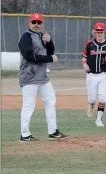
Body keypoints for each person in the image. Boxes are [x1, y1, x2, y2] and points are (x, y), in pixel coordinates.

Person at [18, 13, 68, 142]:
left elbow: (50, 51)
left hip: (42, 77)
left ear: (42, 24)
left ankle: (53, 131)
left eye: (38, 22)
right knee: (29, 105)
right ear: (29, 23)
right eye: (33, 22)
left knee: (51, 100)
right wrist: (50, 59)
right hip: (29, 76)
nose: (36, 25)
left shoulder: (41, 36)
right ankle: (25, 135)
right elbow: (30, 56)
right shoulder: (26, 37)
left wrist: (49, 42)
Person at [82, 22, 106, 127]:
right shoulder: (89, 44)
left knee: (102, 99)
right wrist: (84, 64)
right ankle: (91, 105)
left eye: (101, 32)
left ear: (105, 32)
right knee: (92, 99)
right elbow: (84, 57)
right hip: (91, 75)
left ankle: (99, 120)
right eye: (97, 32)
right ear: (94, 32)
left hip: (103, 75)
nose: (99, 34)